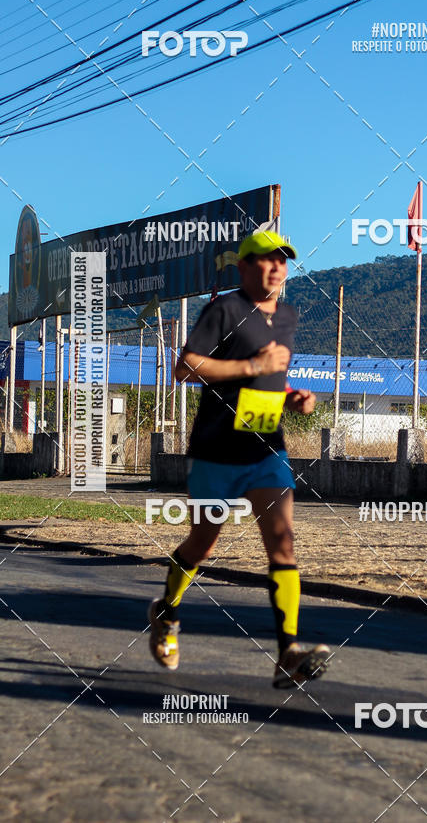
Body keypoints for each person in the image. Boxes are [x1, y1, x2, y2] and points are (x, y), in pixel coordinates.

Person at [148, 230, 330, 688]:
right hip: (215, 451)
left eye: (282, 262)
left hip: (266, 449)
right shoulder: (223, 310)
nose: (275, 269)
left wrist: (294, 398)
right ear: (245, 266)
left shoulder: (287, 316)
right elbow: (185, 366)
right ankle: (166, 613)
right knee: (203, 544)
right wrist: (252, 367)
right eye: (266, 261)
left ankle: (288, 652)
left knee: (283, 543)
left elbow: (269, 382)